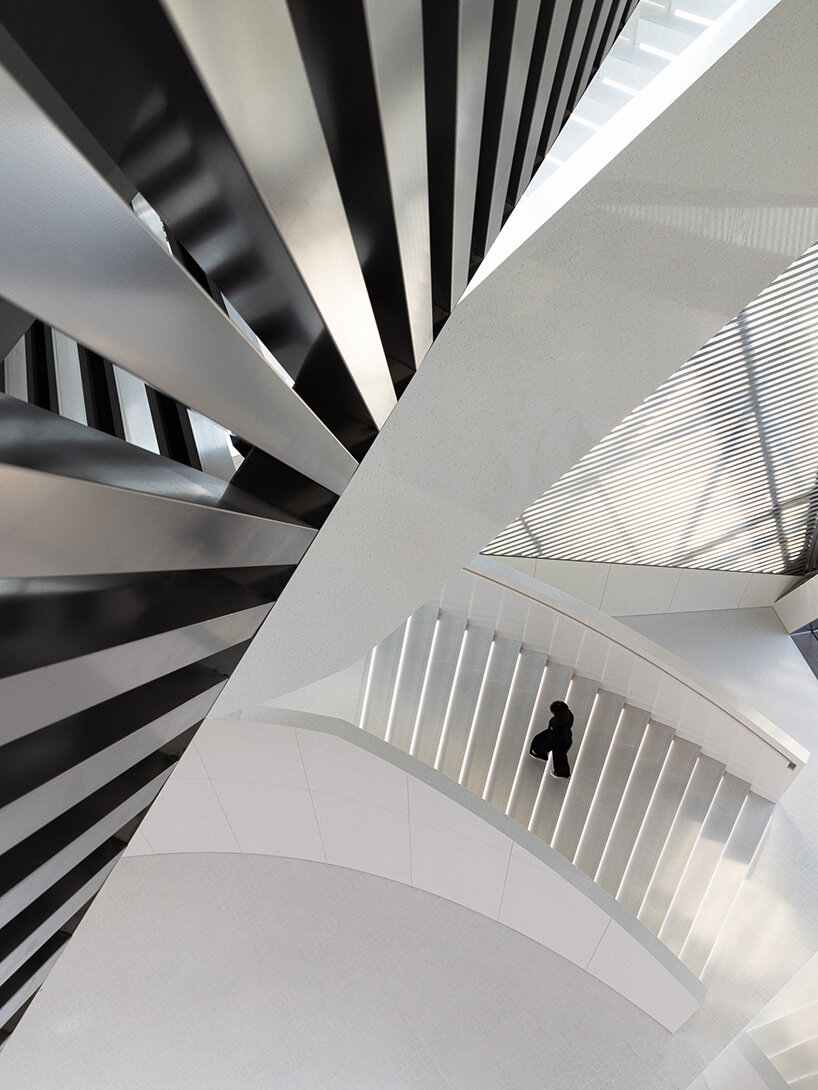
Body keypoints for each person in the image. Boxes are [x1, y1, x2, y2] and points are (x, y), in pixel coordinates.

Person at [529, 700, 574, 778]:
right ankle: (541, 755)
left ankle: (562, 774)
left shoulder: (557, 727)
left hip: (561, 742)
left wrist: (538, 750)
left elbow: (550, 744)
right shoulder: (569, 716)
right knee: (539, 739)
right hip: (561, 736)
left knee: (559, 758)